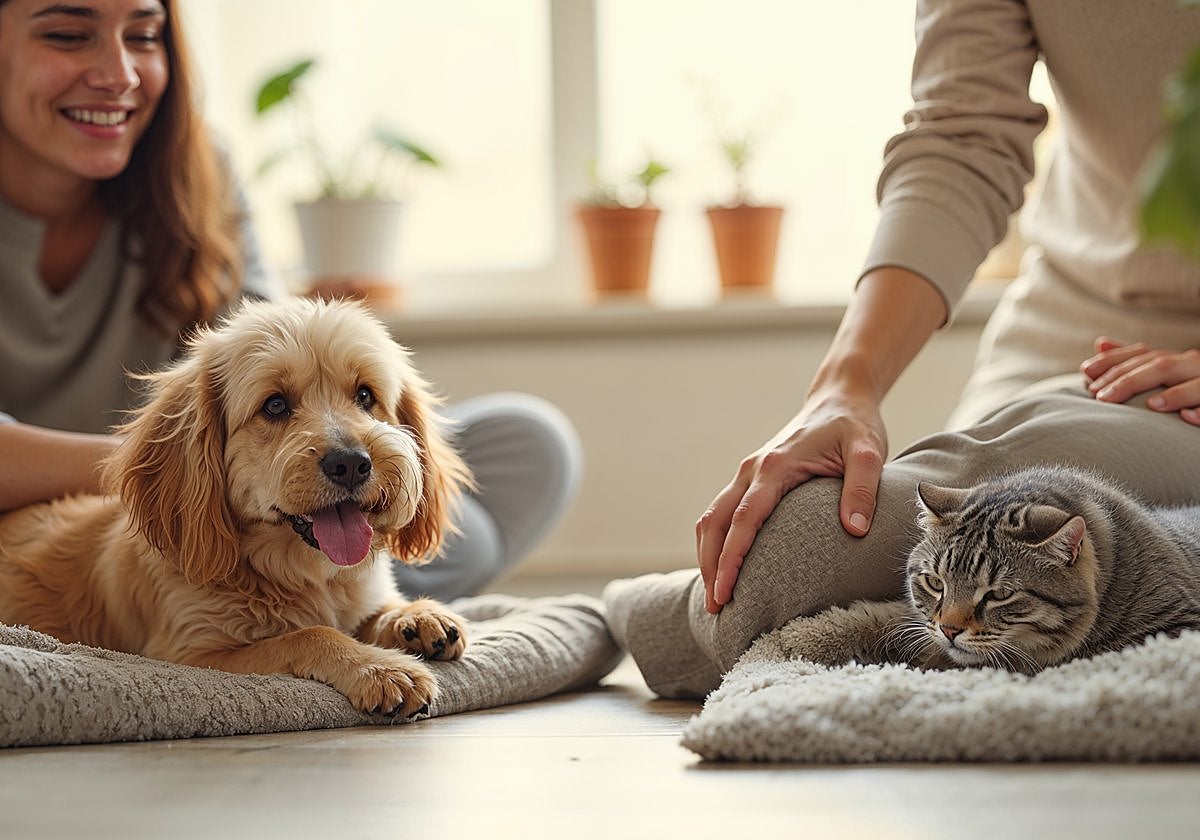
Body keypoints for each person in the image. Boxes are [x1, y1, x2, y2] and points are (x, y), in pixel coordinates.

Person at [605, 0, 1200, 697]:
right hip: (1070, 348)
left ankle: (613, 619)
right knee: (809, 535)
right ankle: (599, 621)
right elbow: (962, 135)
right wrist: (845, 385)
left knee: (798, 563)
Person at [0, 0, 581, 602]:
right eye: (68, 35)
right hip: (146, 507)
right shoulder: (178, 467)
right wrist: (168, 476)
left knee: (528, 440)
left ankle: (341, 578)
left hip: (243, 501)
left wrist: (333, 446)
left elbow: (272, 350)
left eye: (144, 36)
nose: (120, 73)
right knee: (459, 535)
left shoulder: (201, 170)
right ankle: (347, 595)